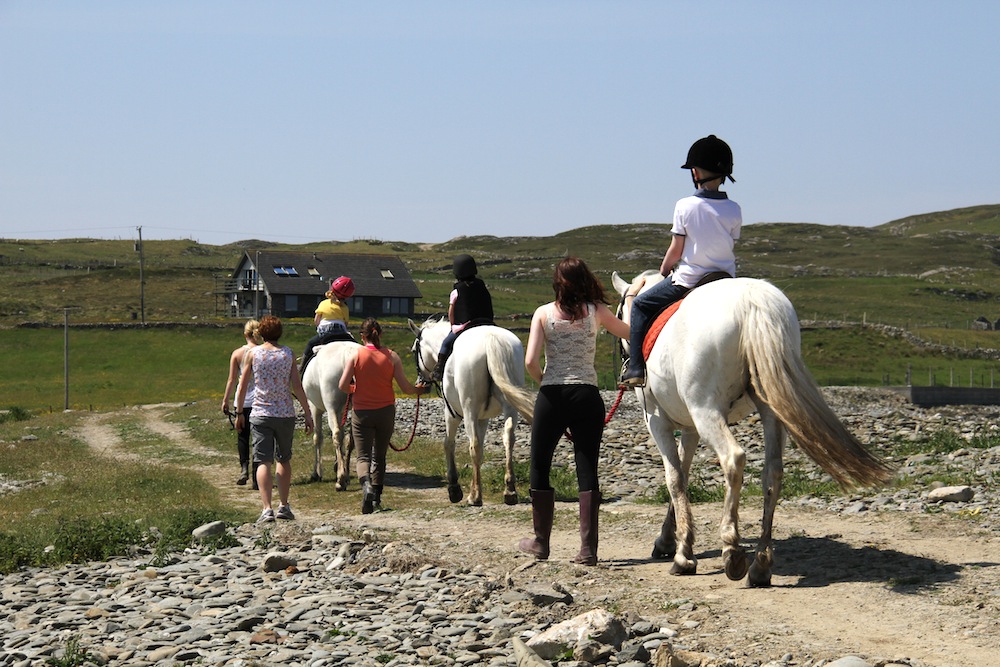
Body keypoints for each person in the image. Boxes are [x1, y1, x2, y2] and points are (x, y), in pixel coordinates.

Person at [518, 257, 630, 566]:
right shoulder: (597, 311)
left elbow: (530, 362)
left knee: (540, 462)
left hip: (552, 394)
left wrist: (548, 383)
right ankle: (587, 550)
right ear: (586, 280)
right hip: (587, 395)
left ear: (557, 282)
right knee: (587, 465)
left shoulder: (543, 314)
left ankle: (541, 542)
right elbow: (629, 333)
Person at [621, 134, 742, 387]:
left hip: (690, 280)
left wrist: (664, 269)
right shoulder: (734, 208)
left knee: (642, 305)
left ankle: (635, 369)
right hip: (725, 278)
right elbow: (730, 241)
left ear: (695, 173)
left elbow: (677, 248)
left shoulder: (685, 205)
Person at [339, 317, 428, 514]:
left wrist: (354, 388)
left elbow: (342, 385)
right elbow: (405, 387)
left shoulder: (355, 356)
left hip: (362, 412)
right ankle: (377, 497)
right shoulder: (392, 357)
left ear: (362, 336)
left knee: (363, 456)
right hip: (386, 411)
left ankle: (366, 487)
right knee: (379, 456)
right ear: (380, 334)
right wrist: (418, 391)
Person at [235, 315, 314, 524]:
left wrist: (239, 411)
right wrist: (307, 412)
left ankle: (266, 508)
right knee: (284, 459)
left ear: (261, 333)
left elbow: (243, 385)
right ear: (280, 332)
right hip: (285, 413)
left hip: (261, 412)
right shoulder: (288, 353)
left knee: (263, 460)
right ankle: (284, 505)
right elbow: (297, 386)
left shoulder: (253, 354)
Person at [432, 254, 494, 383]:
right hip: (488, 323)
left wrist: (453, 325)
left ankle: (439, 369)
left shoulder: (457, 290)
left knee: (446, 343)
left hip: (467, 325)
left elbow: (451, 312)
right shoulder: (481, 285)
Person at [221, 319, 260, 487]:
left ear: (245, 334)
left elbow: (231, 380)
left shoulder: (237, 354)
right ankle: (257, 473)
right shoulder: (263, 352)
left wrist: (225, 400)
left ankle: (244, 468)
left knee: (242, 436)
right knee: (259, 438)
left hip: (242, 400)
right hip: (260, 399)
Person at [300, 276, 355, 376]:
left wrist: (318, 327)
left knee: (310, 343)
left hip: (325, 334)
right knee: (356, 347)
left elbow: (316, 320)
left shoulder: (323, 303)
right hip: (341, 333)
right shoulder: (345, 308)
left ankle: (302, 368)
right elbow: (346, 324)